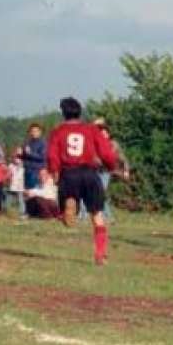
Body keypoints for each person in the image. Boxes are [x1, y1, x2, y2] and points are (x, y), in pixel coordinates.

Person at [46, 97, 117, 265]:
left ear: (63, 114)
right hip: (89, 173)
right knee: (97, 215)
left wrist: (54, 171)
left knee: (65, 214)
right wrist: (110, 165)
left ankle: (68, 208)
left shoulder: (58, 132)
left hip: (68, 174)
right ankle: (100, 254)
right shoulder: (91, 130)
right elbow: (106, 151)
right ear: (80, 112)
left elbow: (52, 155)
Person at [92, 119, 130, 222]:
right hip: (95, 171)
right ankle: (91, 216)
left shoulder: (113, 144)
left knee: (100, 193)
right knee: (95, 193)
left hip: (105, 172)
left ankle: (108, 217)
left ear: (108, 134)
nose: (103, 135)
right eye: (101, 133)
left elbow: (123, 158)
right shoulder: (96, 144)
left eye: (105, 133)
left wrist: (126, 170)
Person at [21, 123, 46, 191]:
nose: (33, 133)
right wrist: (20, 155)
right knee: (28, 195)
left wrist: (30, 153)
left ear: (40, 132)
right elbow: (25, 157)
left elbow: (42, 157)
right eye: (32, 131)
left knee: (36, 194)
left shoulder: (42, 143)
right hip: (27, 172)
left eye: (35, 131)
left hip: (37, 172)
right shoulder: (27, 143)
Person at [7, 147, 26, 218]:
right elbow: (8, 174)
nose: (18, 157)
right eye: (16, 154)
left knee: (21, 199)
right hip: (13, 184)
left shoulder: (24, 164)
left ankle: (22, 212)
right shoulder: (11, 165)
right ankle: (7, 210)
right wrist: (8, 177)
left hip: (20, 185)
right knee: (9, 198)